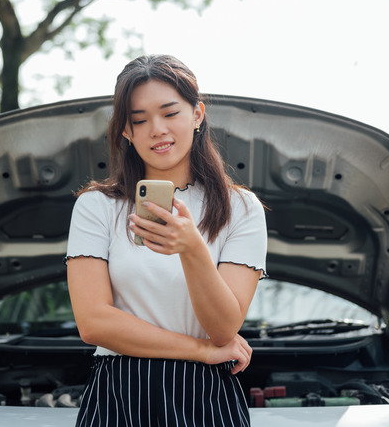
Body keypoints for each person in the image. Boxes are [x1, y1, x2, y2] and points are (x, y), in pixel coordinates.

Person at [65, 54, 267, 427]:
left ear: (197, 114)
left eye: (170, 113)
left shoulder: (241, 208)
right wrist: (200, 350)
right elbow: (93, 323)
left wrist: (192, 249)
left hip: (206, 398)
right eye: (139, 120)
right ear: (126, 131)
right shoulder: (96, 207)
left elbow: (225, 327)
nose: (157, 129)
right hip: (118, 395)